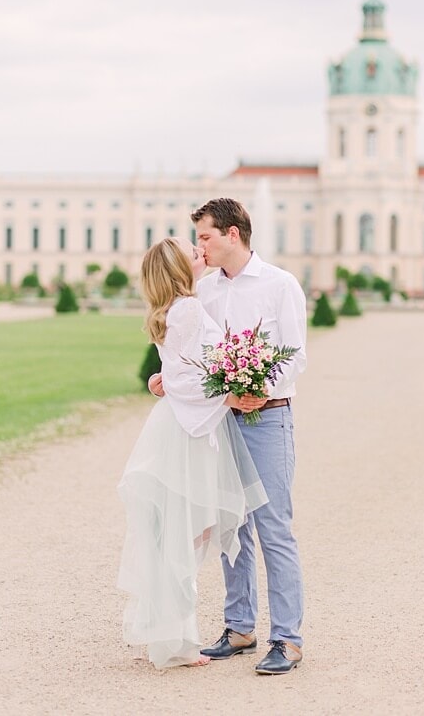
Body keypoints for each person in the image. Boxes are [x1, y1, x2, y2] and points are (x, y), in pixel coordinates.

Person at [151, 197, 309, 674]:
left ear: (232, 234)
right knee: (230, 526)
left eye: (205, 236)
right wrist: (166, 375)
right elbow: (189, 348)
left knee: (273, 528)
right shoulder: (205, 291)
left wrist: (256, 389)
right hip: (219, 420)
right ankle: (240, 627)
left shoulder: (280, 285)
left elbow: (295, 355)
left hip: (267, 418)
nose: (200, 247)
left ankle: (287, 638)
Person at [118, 237, 268, 670]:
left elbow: (177, 372)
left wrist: (161, 379)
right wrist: (229, 398)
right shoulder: (186, 308)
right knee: (186, 534)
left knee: (183, 532)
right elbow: (187, 379)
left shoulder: (183, 304)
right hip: (188, 431)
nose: (199, 251)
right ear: (178, 266)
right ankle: (175, 642)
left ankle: (172, 634)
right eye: (191, 249)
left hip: (183, 426)